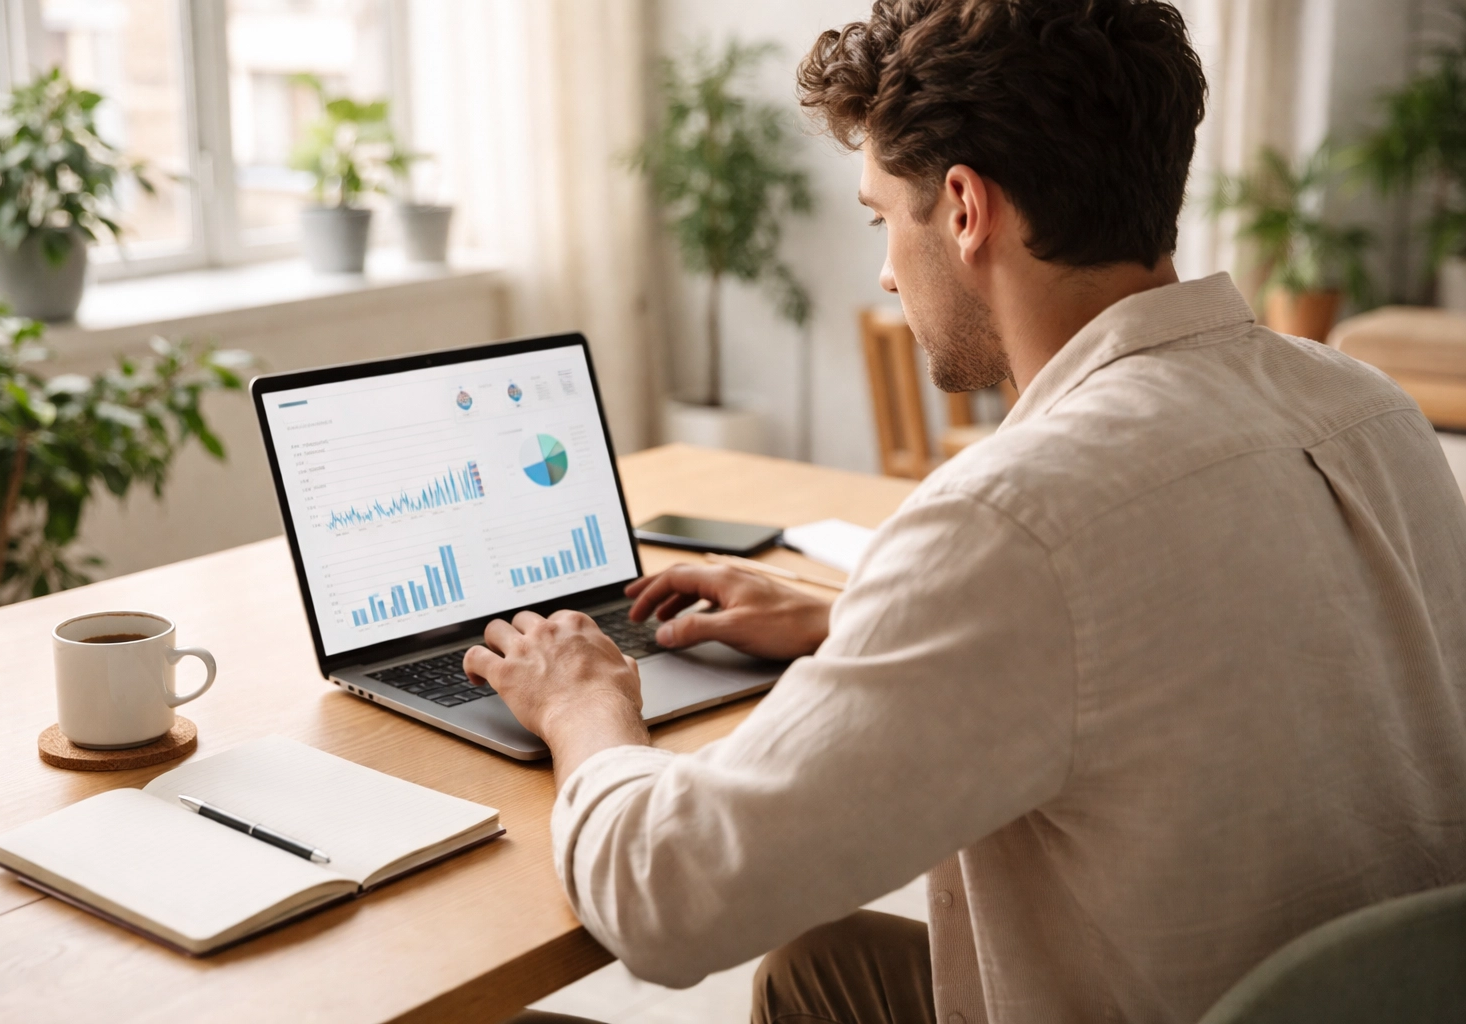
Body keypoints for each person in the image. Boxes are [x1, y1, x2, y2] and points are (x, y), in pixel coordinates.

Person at [482, 1, 1466, 1021]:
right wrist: (858, 614)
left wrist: (582, 704)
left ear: (962, 208)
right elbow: (1202, 610)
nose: (882, 266)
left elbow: (670, 898)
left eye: (880, 217)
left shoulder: (1015, 519)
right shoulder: (1368, 409)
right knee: (821, 969)